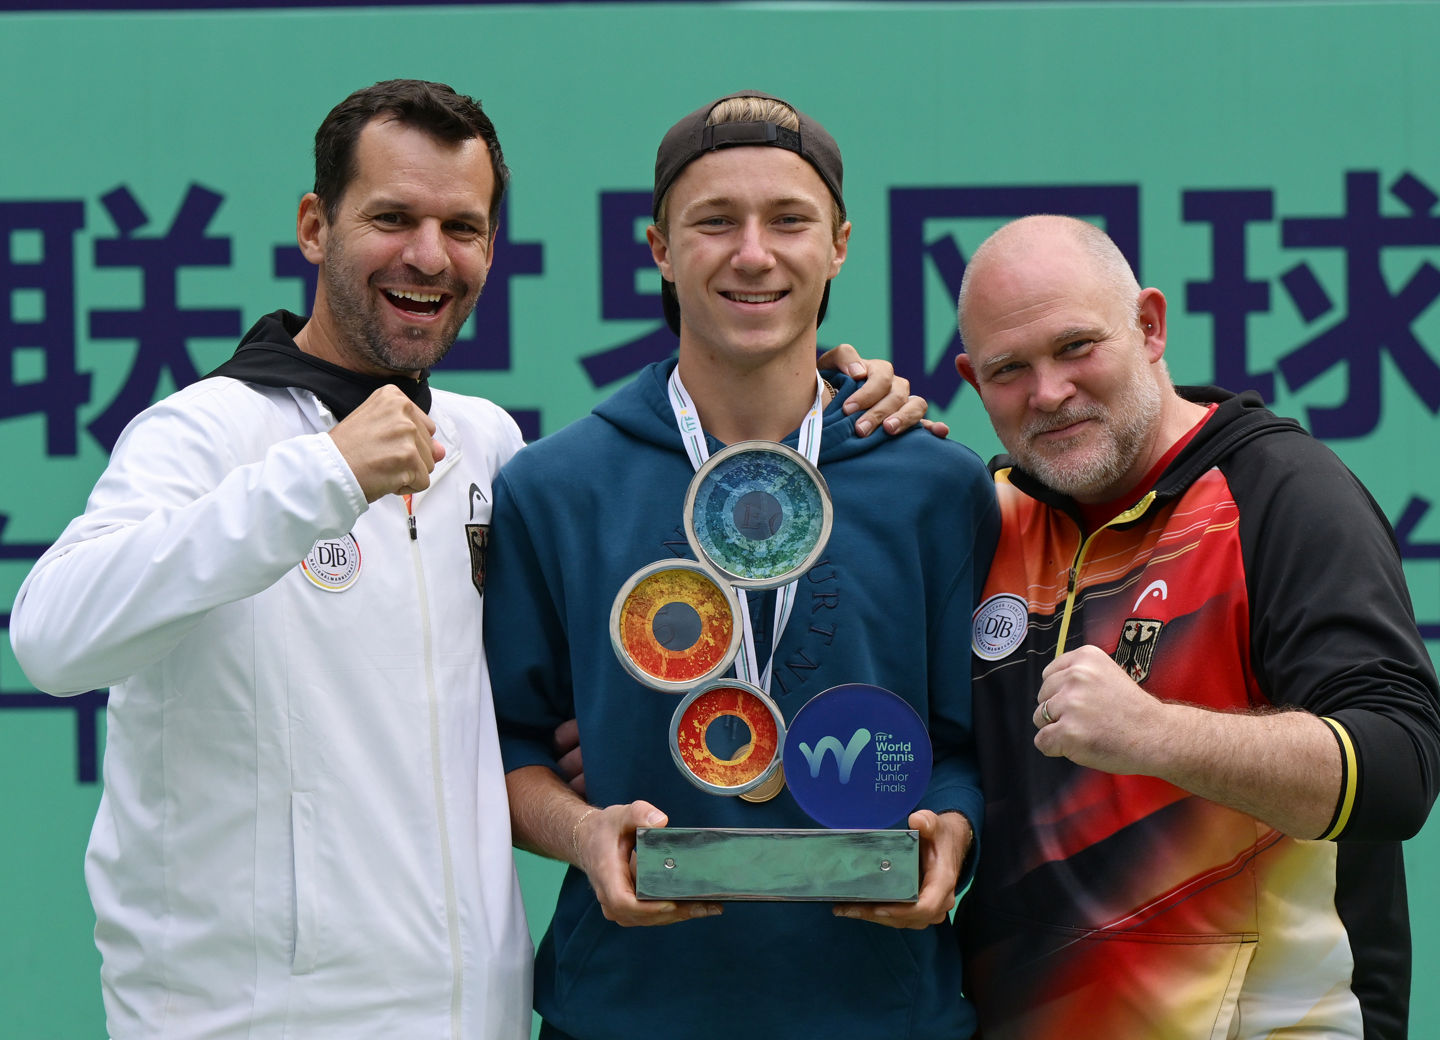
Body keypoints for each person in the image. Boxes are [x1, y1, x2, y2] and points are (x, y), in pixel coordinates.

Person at [8, 80, 928, 1040]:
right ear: (316, 226)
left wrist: (824, 395)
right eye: (391, 218)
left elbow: (536, 709)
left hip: (471, 1017)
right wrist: (321, 477)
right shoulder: (207, 433)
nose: (427, 256)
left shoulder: (487, 445)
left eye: (463, 226)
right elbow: (50, 639)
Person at [485, 91, 998, 1040]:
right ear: (658, 249)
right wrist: (581, 832)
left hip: (885, 1012)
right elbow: (505, 750)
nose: (752, 253)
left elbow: (970, 742)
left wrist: (951, 839)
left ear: (839, 244)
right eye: (714, 221)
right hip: (625, 1013)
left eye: (788, 220)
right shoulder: (556, 487)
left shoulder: (937, 485)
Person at [952, 214, 1440, 1039]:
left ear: (1149, 326)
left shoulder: (1285, 492)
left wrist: (1155, 733)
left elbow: (1400, 766)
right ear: (971, 378)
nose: (1049, 392)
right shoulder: (983, 518)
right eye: (1009, 369)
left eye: (1077, 347)